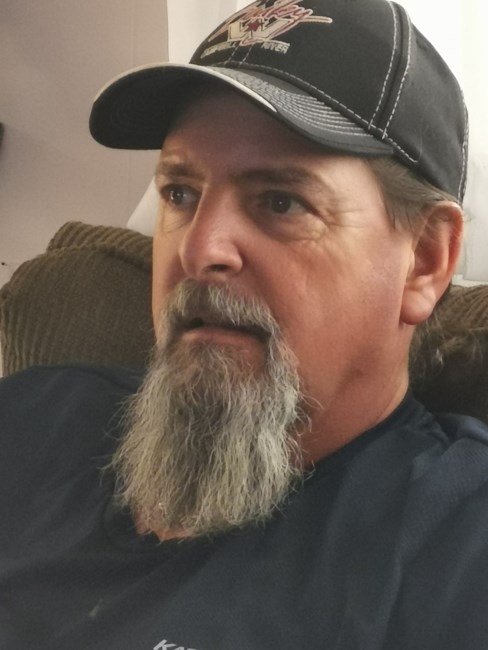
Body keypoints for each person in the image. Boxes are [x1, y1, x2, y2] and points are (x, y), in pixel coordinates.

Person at [1, 0, 487, 648]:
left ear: (424, 261)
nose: (198, 249)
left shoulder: (457, 550)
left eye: (281, 201)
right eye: (180, 193)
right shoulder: (32, 416)